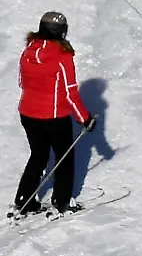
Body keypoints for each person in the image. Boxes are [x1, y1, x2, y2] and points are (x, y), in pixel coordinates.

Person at [11, 12, 95, 218]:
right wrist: (85, 119)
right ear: (62, 31)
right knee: (64, 157)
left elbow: (22, 81)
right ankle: (62, 202)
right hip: (54, 117)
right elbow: (70, 93)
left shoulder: (29, 50)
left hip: (28, 113)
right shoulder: (62, 56)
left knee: (38, 156)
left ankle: (25, 200)